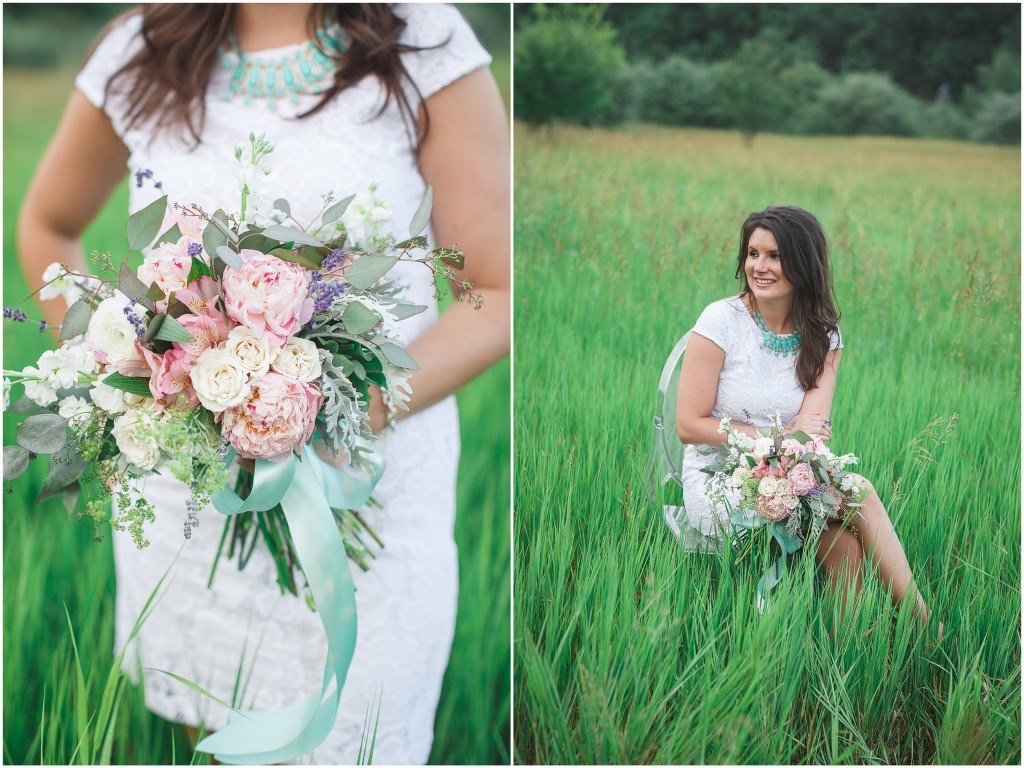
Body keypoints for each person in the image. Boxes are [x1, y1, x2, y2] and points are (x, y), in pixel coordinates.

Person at [17, 3, 509, 764]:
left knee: (358, 739)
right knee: (211, 733)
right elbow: (48, 225)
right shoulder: (139, 47)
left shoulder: (426, 42)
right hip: (187, 498)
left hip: (364, 500)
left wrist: (323, 413)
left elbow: (496, 292)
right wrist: (135, 376)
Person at [669, 205, 932, 627]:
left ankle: (854, 649)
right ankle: (924, 622)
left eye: (775, 255)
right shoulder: (720, 321)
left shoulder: (824, 334)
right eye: (753, 254)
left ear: (803, 263)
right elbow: (689, 425)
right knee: (859, 489)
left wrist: (788, 444)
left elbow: (811, 437)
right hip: (718, 481)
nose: (760, 266)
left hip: (791, 471)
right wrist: (776, 437)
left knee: (843, 544)